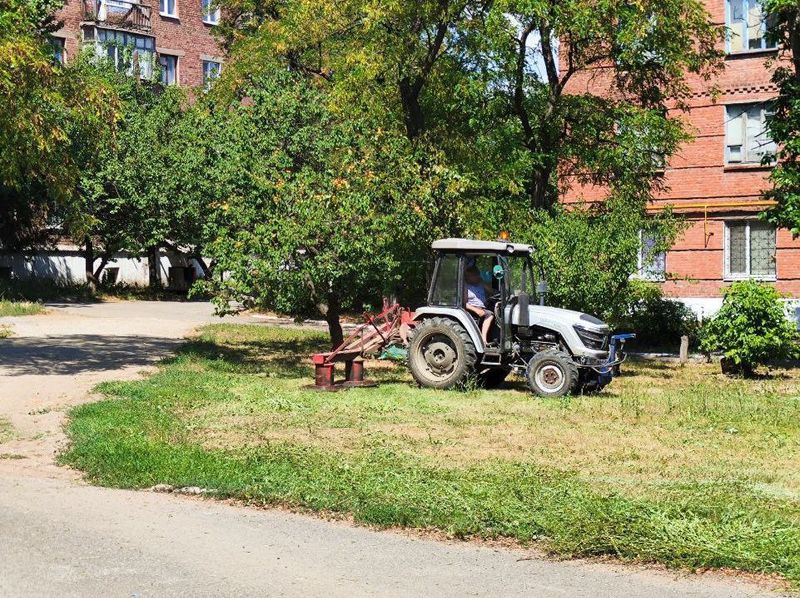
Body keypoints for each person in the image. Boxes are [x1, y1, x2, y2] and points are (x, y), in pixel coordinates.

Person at [464, 266, 495, 346]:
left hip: (483, 307)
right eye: (473, 276)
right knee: (489, 315)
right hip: (472, 309)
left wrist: (483, 283)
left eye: (477, 275)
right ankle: (483, 341)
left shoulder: (480, 284)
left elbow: (491, 292)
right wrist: (476, 310)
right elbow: (464, 303)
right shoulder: (466, 287)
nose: (476, 277)